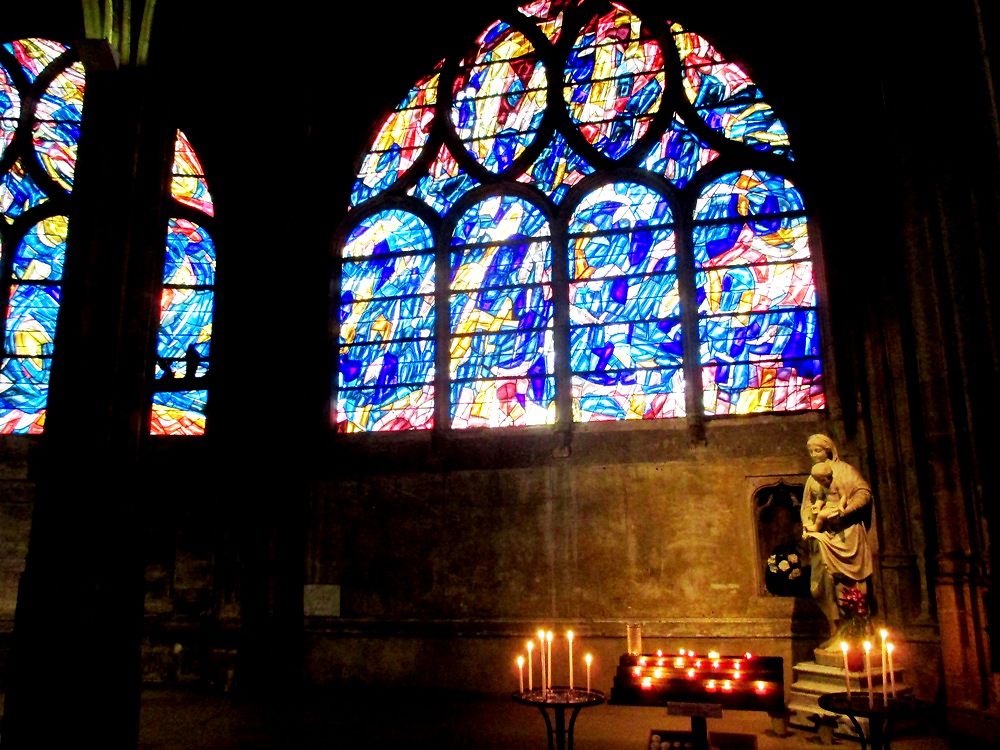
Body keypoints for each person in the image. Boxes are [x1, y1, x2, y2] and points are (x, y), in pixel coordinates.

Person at [800, 433, 876, 647]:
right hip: (825, 536)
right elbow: (807, 505)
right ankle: (838, 630)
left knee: (852, 583)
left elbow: (863, 494)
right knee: (822, 585)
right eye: (811, 452)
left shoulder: (845, 471)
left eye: (818, 450)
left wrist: (844, 513)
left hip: (848, 534)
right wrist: (808, 523)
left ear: (829, 449)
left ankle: (857, 632)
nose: (814, 455)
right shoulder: (813, 478)